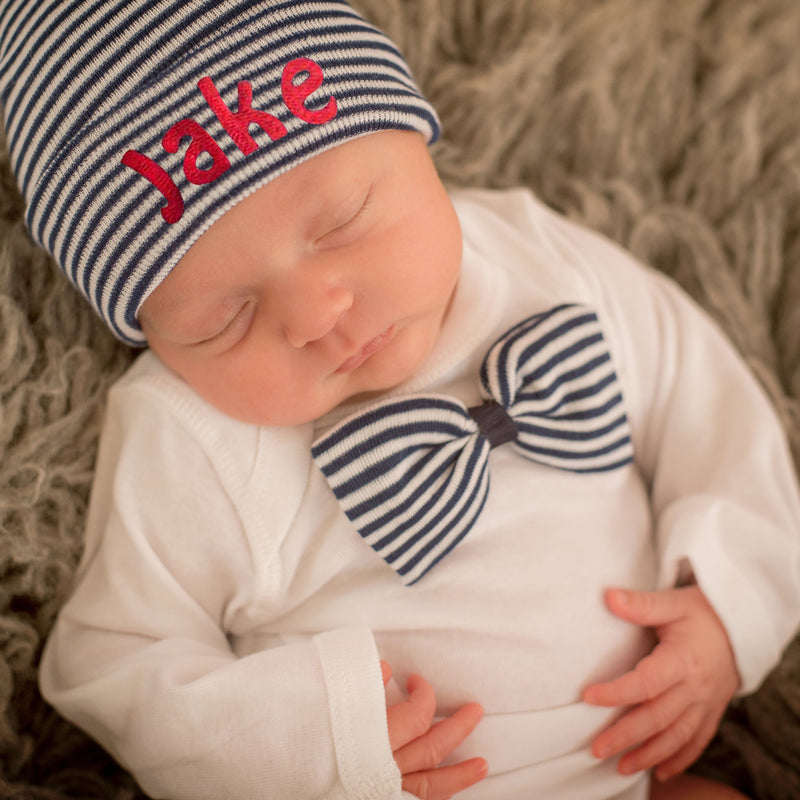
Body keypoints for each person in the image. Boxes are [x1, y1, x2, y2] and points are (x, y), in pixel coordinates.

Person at [1, 1, 798, 798]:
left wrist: (728, 606)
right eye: (223, 319)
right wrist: (315, 752)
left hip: (633, 773)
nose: (316, 315)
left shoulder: (535, 255)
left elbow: (709, 407)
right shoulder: (191, 432)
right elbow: (118, 658)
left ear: (414, 135)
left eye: (343, 222)